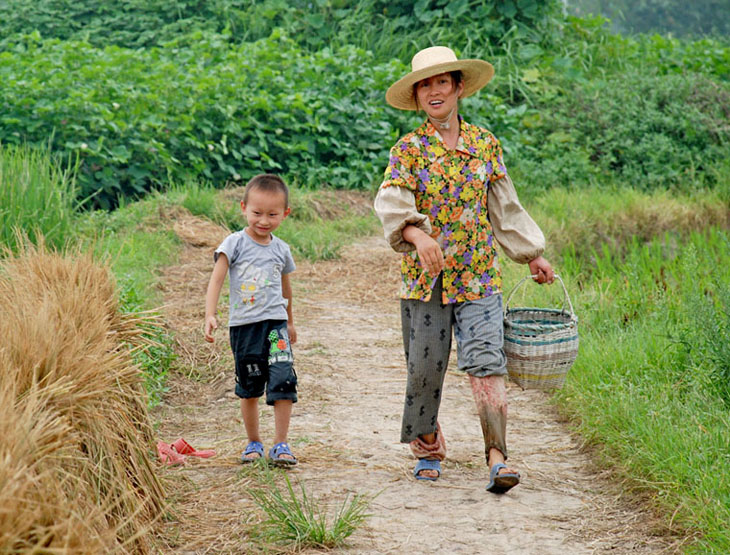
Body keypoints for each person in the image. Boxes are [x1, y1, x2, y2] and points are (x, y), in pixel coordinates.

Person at [374, 46, 555, 493]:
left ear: (457, 88)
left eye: (442, 82)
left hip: (479, 275)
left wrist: (531, 253)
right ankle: (429, 446)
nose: (434, 91)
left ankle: (497, 457)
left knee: (486, 360)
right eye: (424, 85)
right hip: (425, 280)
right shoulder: (409, 151)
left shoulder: (483, 144)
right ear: (416, 96)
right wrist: (418, 236)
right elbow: (393, 204)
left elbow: (504, 207)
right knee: (424, 368)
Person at [204, 173, 299, 466]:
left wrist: (290, 321)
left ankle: (281, 444)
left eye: (272, 214)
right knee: (250, 385)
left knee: (283, 380)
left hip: (275, 326)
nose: (264, 220)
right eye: (257, 213)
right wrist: (210, 313)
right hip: (245, 328)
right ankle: (253, 442)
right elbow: (217, 279)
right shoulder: (234, 243)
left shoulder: (281, 249)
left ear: (285, 214)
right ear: (243, 207)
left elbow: (286, 290)